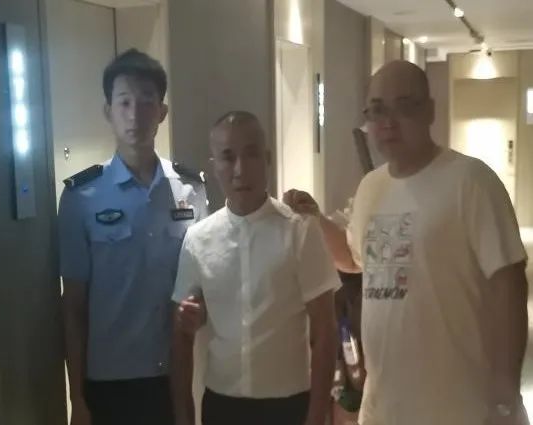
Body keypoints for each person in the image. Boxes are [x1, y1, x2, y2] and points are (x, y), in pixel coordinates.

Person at [284, 60, 530, 425]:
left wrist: (505, 392)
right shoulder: (371, 187)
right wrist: (315, 218)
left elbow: (508, 286)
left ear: (429, 111)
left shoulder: (470, 181)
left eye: (405, 106)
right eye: (377, 110)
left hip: (461, 408)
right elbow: (355, 259)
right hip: (384, 407)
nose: (388, 122)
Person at [58, 49, 208, 425]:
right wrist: (77, 398)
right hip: (108, 382)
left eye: (146, 101)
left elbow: (204, 285)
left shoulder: (191, 190)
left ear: (162, 112)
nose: (135, 114)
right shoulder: (81, 197)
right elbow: (73, 306)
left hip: (173, 375)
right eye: (124, 102)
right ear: (108, 111)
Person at [170, 111, 340, 425]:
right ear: (214, 166)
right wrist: (185, 416)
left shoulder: (300, 231)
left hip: (289, 406)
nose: (240, 170)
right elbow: (181, 334)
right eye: (228, 157)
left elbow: (325, 331)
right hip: (222, 406)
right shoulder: (198, 240)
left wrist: (317, 416)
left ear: (267, 159)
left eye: (251, 154)